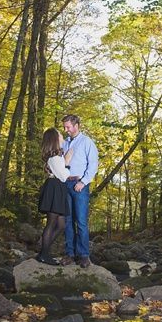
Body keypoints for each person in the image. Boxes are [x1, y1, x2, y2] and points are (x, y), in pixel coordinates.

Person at [60, 113, 98, 268]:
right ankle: (70, 254)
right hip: (65, 184)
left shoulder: (87, 142)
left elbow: (93, 165)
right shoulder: (65, 143)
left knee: (81, 222)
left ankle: (83, 256)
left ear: (76, 126)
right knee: (67, 221)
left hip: (79, 184)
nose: (66, 129)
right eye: (64, 127)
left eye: (68, 127)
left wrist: (83, 182)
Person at [37, 128, 73, 264]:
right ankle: (44, 255)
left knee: (61, 225)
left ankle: (43, 251)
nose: (62, 135)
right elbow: (63, 176)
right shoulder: (55, 158)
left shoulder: (56, 156)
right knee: (51, 223)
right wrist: (67, 162)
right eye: (59, 134)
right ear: (54, 139)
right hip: (55, 188)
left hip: (57, 189)